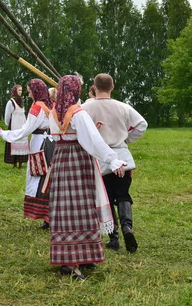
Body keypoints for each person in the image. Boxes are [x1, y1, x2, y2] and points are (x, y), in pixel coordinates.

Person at [47, 75, 126, 280]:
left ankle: (74, 258)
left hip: (61, 162)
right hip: (79, 163)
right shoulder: (78, 114)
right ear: (75, 90)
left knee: (64, 209)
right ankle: (74, 265)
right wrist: (114, 160)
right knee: (80, 208)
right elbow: (93, 141)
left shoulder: (54, 112)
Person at [81, 73, 147, 253]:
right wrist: (127, 139)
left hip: (100, 160)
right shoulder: (123, 107)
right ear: (112, 87)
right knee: (123, 194)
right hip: (122, 156)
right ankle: (127, 227)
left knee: (107, 198)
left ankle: (114, 237)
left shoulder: (85, 108)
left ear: (94, 87)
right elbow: (142, 124)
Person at [0, 79, 53, 229]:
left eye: (30, 90)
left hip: (40, 144)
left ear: (36, 91)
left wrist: (1, 133)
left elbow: (24, 131)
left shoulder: (37, 108)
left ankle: (47, 216)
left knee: (39, 178)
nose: (28, 92)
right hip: (52, 144)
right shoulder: (52, 105)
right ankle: (50, 216)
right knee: (48, 179)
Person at [3, 84, 29, 168]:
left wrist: (26, 125)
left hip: (21, 125)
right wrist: (8, 124)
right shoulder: (11, 102)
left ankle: (20, 163)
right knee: (14, 141)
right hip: (14, 124)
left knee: (21, 141)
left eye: (21, 90)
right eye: (19, 90)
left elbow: (23, 114)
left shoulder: (21, 101)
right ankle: (14, 163)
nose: (20, 92)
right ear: (15, 91)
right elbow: (7, 115)